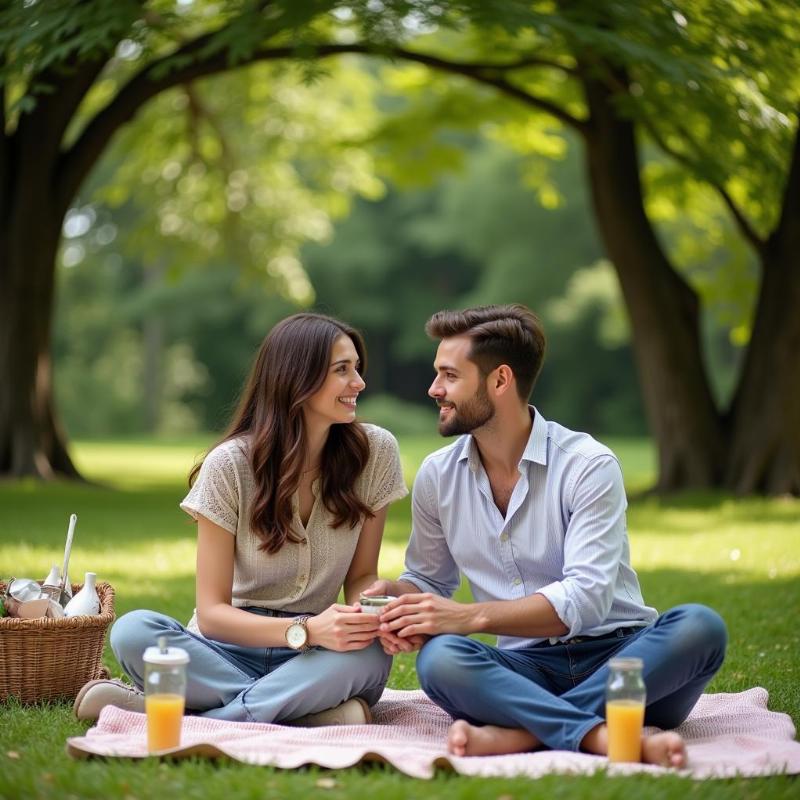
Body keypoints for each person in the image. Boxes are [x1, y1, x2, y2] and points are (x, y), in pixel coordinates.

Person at [365, 304, 727, 766]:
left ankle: (519, 735)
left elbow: (586, 599)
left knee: (700, 627)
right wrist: (399, 598)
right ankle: (597, 734)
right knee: (441, 661)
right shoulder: (438, 476)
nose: (435, 389)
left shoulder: (588, 466)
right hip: (525, 670)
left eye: (449, 376)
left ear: (500, 381)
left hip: (625, 664)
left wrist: (470, 617)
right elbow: (430, 580)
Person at [74, 312, 408, 725]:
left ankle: (204, 715)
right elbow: (212, 613)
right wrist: (306, 629)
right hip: (228, 645)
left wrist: (368, 613)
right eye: (343, 370)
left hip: (318, 656)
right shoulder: (229, 466)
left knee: (371, 653)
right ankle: (302, 714)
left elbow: (361, 577)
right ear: (296, 379)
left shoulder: (376, 453)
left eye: (357, 369)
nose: (359, 383)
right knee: (133, 631)